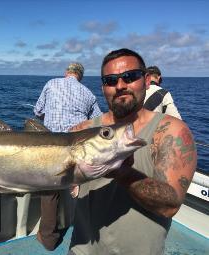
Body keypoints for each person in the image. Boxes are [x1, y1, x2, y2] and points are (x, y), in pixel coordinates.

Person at [67, 48, 197, 254]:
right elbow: (52, 178)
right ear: (103, 87)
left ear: (146, 80)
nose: (120, 86)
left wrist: (122, 173)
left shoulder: (171, 132)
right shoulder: (81, 131)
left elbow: (169, 206)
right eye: (110, 80)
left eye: (130, 77)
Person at [33, 62, 102, 250]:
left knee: (49, 194)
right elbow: (98, 122)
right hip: (78, 150)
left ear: (67, 73)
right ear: (80, 76)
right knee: (83, 191)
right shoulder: (89, 94)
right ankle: (86, 236)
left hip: (52, 149)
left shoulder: (51, 84)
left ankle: (48, 238)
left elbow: (37, 111)